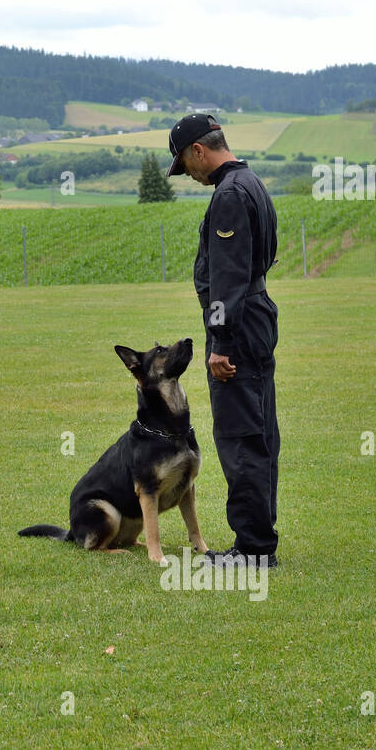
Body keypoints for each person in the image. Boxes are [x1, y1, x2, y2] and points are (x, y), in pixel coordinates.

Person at [167, 114, 280, 568]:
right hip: (257, 317)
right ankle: (259, 537)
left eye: (184, 164)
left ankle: (253, 549)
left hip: (239, 326)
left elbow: (227, 279)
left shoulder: (230, 195)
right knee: (260, 430)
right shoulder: (251, 182)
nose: (188, 175)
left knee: (241, 435)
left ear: (199, 150)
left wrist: (219, 343)